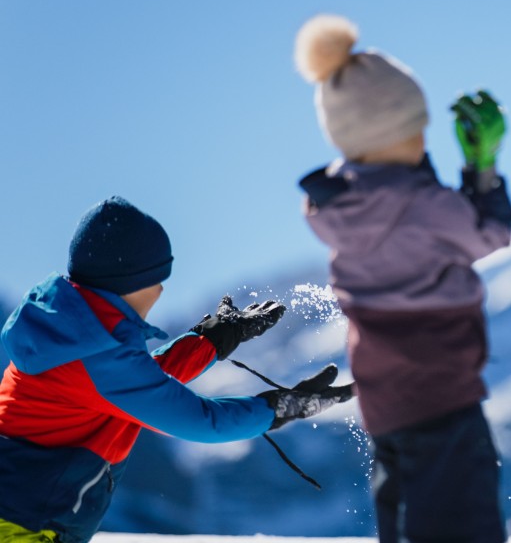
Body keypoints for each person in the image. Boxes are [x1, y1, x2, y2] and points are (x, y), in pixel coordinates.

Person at [0, 196, 354, 543]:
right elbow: (200, 421)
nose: (161, 289)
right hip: (24, 527)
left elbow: (141, 386)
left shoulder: (77, 337)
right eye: (158, 276)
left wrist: (214, 339)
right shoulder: (96, 354)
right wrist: (280, 407)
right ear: (133, 281)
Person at [293, 14, 511, 542]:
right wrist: (481, 169)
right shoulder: (427, 206)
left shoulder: (334, 211)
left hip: (386, 404)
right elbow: (492, 233)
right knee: (465, 522)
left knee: (405, 517)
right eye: (417, 128)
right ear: (398, 133)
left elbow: (390, 205)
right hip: (444, 395)